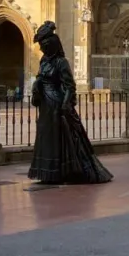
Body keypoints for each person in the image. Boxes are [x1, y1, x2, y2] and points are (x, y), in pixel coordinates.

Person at [27, 21, 113, 185]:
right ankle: (48, 172)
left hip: (57, 105)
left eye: (44, 46)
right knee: (47, 137)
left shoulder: (61, 62)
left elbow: (69, 86)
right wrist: (36, 86)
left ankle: (64, 172)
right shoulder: (44, 61)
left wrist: (66, 104)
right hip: (45, 105)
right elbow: (40, 77)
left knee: (61, 138)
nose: (41, 49)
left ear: (52, 45)